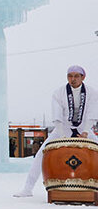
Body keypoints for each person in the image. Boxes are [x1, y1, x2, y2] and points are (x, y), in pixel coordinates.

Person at [15, 65, 98, 197]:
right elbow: (57, 116)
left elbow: (92, 114)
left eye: (76, 76)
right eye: (70, 76)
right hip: (63, 128)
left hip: (84, 128)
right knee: (41, 154)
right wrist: (62, 135)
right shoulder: (59, 93)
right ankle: (27, 188)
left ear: (83, 77)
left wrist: (86, 131)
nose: (73, 79)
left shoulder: (92, 92)